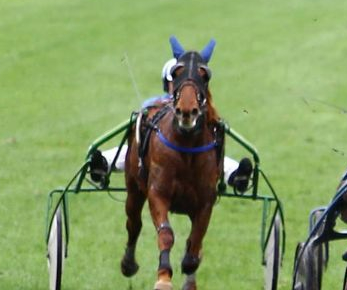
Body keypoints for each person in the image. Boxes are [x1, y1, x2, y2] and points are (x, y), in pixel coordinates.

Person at [88, 56, 249, 190]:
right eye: (175, 81)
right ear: (167, 83)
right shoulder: (154, 103)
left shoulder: (198, 105)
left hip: (196, 155)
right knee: (132, 151)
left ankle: (236, 175)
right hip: (158, 153)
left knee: (213, 156)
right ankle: (102, 164)